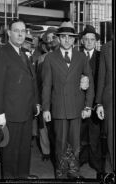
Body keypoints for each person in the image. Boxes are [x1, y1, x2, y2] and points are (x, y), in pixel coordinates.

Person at [42, 21, 94, 179]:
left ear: (74, 40)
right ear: (58, 38)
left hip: (77, 107)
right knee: (60, 141)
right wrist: (45, 109)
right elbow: (46, 85)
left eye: (70, 37)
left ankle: (73, 171)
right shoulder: (50, 58)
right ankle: (60, 172)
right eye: (63, 37)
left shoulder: (81, 57)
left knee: (75, 141)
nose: (67, 40)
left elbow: (89, 82)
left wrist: (88, 106)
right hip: (59, 107)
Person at [0, 19, 40, 179]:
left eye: (23, 31)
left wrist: (36, 103)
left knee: (24, 150)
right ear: (9, 33)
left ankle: (22, 176)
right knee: (10, 153)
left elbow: (32, 82)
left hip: (26, 112)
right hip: (10, 115)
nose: (20, 34)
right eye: (16, 30)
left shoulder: (24, 54)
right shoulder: (1, 54)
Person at [79, 25, 103, 179]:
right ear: (82, 40)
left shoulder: (102, 57)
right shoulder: (76, 56)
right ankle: (81, 159)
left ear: (96, 41)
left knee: (95, 134)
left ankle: (95, 162)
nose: (89, 42)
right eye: (86, 39)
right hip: (79, 102)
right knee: (80, 134)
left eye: (92, 39)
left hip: (96, 103)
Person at [37, 27, 59, 161]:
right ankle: (46, 151)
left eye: (53, 37)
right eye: (48, 38)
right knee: (43, 126)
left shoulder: (64, 56)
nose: (50, 41)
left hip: (57, 96)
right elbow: (39, 80)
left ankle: (58, 152)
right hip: (44, 95)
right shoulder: (41, 58)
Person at [96, 40, 115, 181]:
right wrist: (99, 103)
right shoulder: (106, 48)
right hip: (110, 100)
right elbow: (101, 77)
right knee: (111, 137)